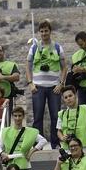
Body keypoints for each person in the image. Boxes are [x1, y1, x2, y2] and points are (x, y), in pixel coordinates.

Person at [26, 19, 67, 149]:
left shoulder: (57, 47)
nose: (44, 33)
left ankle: (55, 144)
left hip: (54, 87)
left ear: (50, 32)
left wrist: (61, 84)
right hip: (38, 87)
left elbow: (64, 67)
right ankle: (39, 144)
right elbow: (27, 66)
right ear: (39, 32)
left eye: (46, 31)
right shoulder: (34, 47)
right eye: (42, 31)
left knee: (55, 116)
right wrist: (30, 83)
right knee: (38, 117)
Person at [0, 106, 47, 170]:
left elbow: (43, 140)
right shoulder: (5, 131)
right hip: (11, 164)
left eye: (20, 115)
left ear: (23, 116)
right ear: (12, 116)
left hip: (24, 164)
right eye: (15, 116)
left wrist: (32, 151)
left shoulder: (30, 131)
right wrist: (2, 153)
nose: (17, 118)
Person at [57, 85, 86, 153]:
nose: (68, 98)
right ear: (63, 100)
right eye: (66, 97)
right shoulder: (61, 114)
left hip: (83, 148)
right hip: (67, 149)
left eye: (70, 96)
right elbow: (59, 131)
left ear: (75, 95)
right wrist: (62, 137)